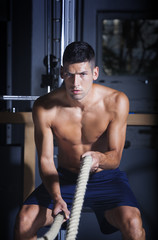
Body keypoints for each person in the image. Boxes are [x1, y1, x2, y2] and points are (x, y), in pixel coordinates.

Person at [14, 41, 145, 240]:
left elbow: (115, 157)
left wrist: (98, 159)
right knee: (24, 223)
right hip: (64, 180)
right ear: (61, 73)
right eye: (70, 74)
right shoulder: (44, 107)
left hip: (106, 179)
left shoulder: (116, 101)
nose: (76, 83)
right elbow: (47, 161)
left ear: (95, 73)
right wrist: (57, 197)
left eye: (83, 74)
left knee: (134, 226)